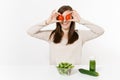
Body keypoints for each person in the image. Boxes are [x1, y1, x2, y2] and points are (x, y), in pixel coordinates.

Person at [27, 5, 104, 65]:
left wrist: (81, 21)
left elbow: (100, 31)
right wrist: (47, 22)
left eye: (67, 17)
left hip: (74, 73)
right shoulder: (51, 35)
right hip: (55, 73)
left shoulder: (80, 35)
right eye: (61, 17)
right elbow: (30, 32)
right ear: (57, 19)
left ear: (72, 18)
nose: (64, 21)